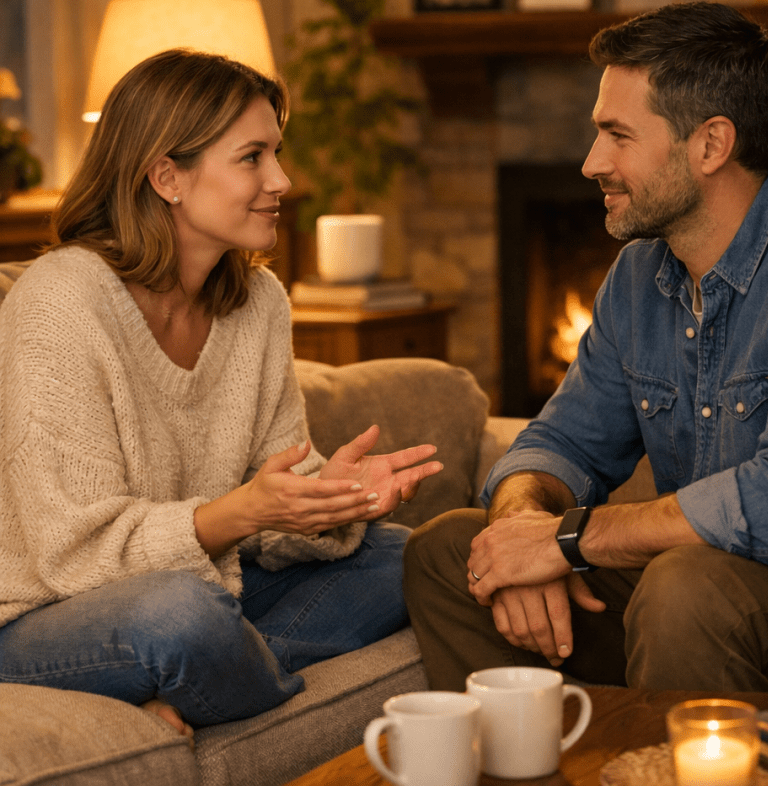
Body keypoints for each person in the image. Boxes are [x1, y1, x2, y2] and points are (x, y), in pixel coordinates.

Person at [403, 1, 768, 693]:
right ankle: (544, 759)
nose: (591, 163)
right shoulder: (640, 276)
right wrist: (522, 525)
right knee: (449, 548)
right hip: (695, 592)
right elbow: (561, 444)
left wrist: (568, 541)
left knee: (685, 586)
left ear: (709, 144)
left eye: (617, 135)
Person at [0, 49, 443, 741]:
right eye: (252, 157)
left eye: (277, 153)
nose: (282, 180)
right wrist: (237, 512)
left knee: (411, 558)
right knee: (182, 616)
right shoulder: (61, 301)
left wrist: (328, 498)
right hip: (45, 611)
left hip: (207, 583)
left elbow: (265, 507)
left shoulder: (257, 301)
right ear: (166, 176)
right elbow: (71, 552)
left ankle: (207, 681)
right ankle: (213, 669)